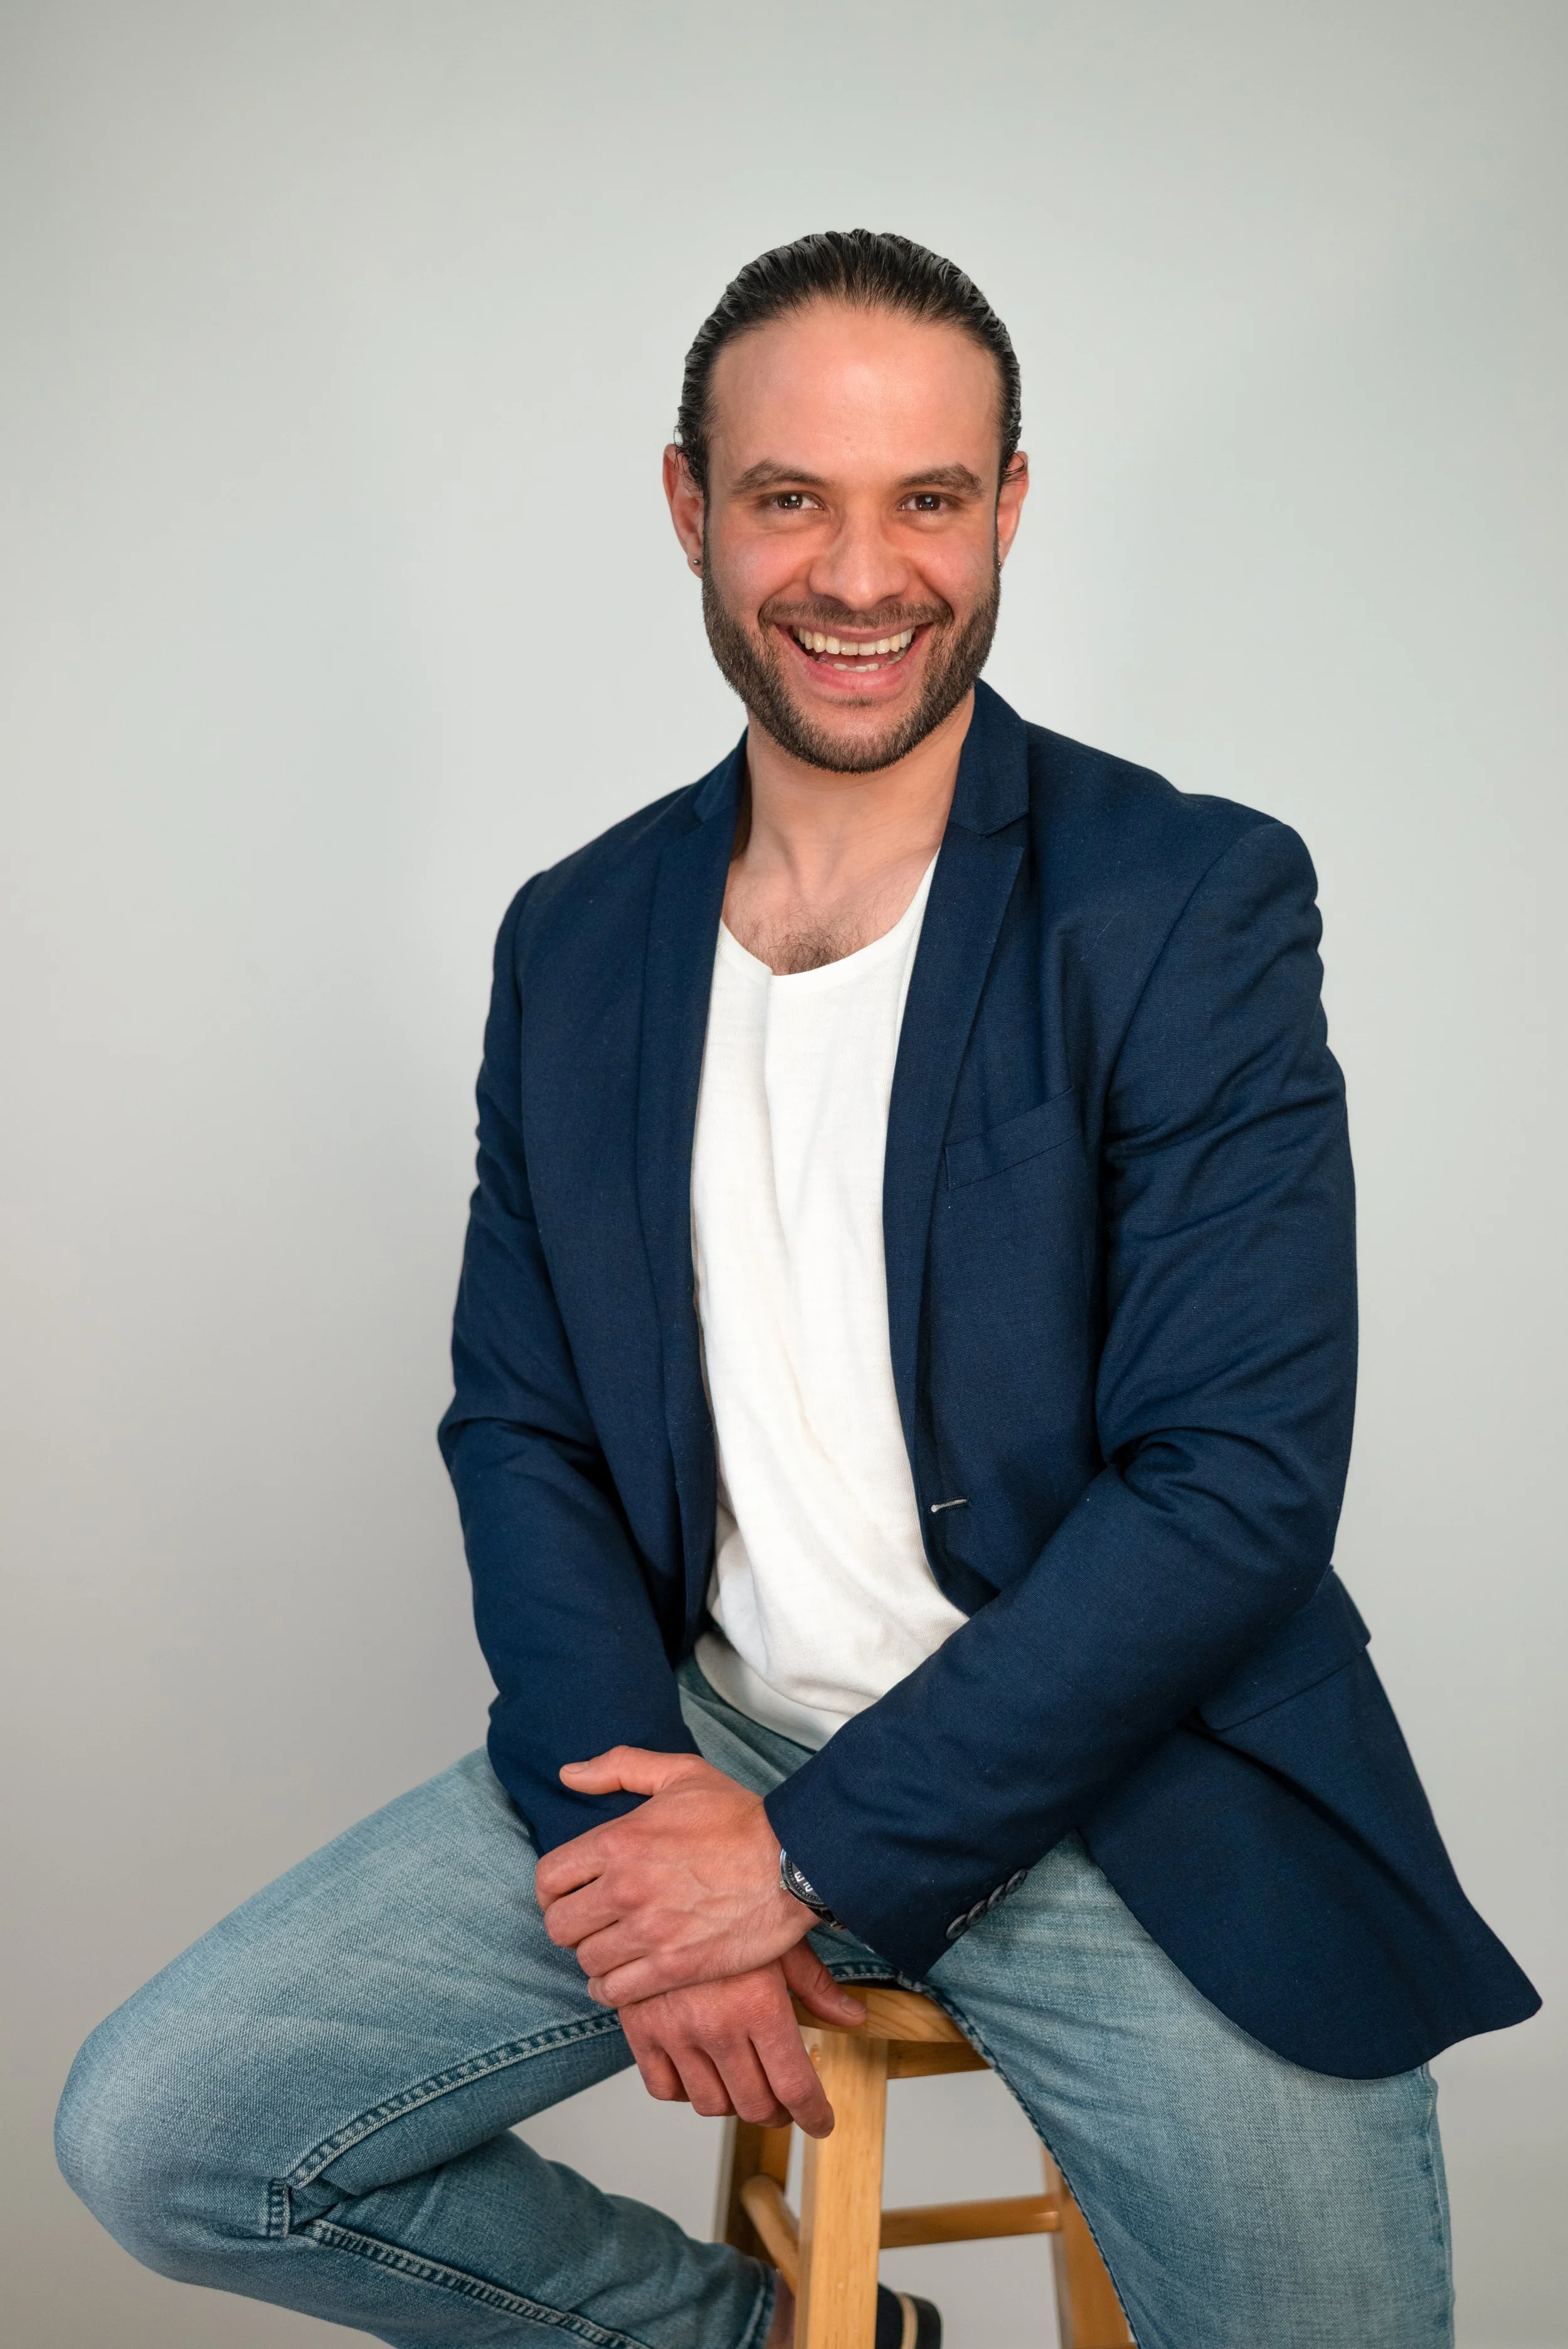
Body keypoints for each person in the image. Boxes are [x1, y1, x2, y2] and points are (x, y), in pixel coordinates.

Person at [57, 230, 1537, 2349]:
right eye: (789, 499)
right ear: (689, 506)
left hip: (1133, 1782)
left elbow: (1227, 1485)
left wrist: (807, 1866)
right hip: (703, 1738)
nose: (862, 576)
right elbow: (527, 1423)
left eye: (926, 499)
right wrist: (664, 1834)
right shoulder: (573, 940)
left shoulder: (1184, 897)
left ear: (1007, 507)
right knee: (172, 2129)